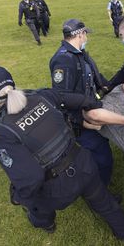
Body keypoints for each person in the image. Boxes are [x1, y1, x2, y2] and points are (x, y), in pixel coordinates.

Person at [0, 66, 124, 246]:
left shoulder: (2, 132)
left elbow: (30, 179)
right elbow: (75, 99)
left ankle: (46, 224)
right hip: (84, 164)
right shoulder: (41, 95)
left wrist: (19, 197)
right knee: (105, 203)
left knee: (36, 203)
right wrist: (94, 105)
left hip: (57, 189)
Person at [49, 19, 116, 185]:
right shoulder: (64, 60)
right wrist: (88, 102)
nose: (87, 37)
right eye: (85, 33)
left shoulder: (79, 53)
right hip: (77, 119)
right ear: (79, 34)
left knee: (99, 149)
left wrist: (111, 86)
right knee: (101, 155)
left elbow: (95, 77)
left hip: (87, 111)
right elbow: (60, 96)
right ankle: (100, 191)